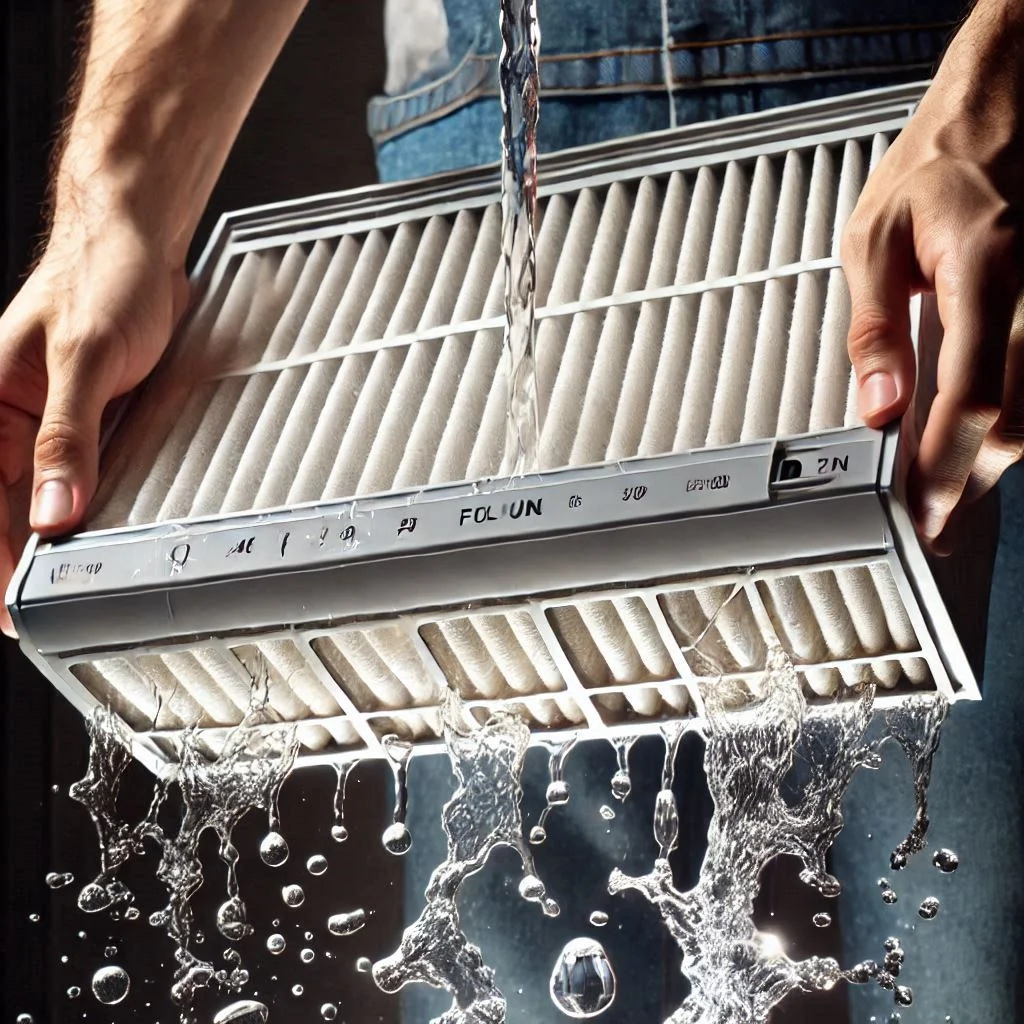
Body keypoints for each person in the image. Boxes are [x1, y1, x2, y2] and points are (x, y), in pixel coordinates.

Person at [0, 0, 1021, 1020]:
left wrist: (1002, 88)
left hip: (943, 160)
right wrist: (114, 204)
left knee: (983, 971)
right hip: (490, 178)